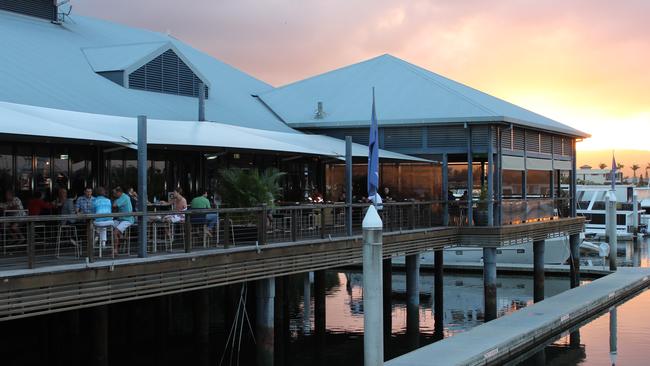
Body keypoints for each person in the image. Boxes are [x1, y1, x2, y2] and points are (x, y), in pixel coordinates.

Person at [112, 186, 134, 256]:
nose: (114, 195)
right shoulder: (122, 197)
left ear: (119, 192)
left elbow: (114, 205)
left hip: (127, 219)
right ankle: (121, 236)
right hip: (120, 219)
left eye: (115, 193)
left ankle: (115, 250)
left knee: (115, 232)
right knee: (109, 224)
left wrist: (114, 199)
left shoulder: (124, 197)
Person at [92, 187, 113, 252]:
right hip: (109, 221)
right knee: (103, 226)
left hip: (99, 222)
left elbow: (93, 212)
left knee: (95, 223)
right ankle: (103, 243)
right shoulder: (108, 200)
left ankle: (95, 237)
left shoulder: (94, 201)